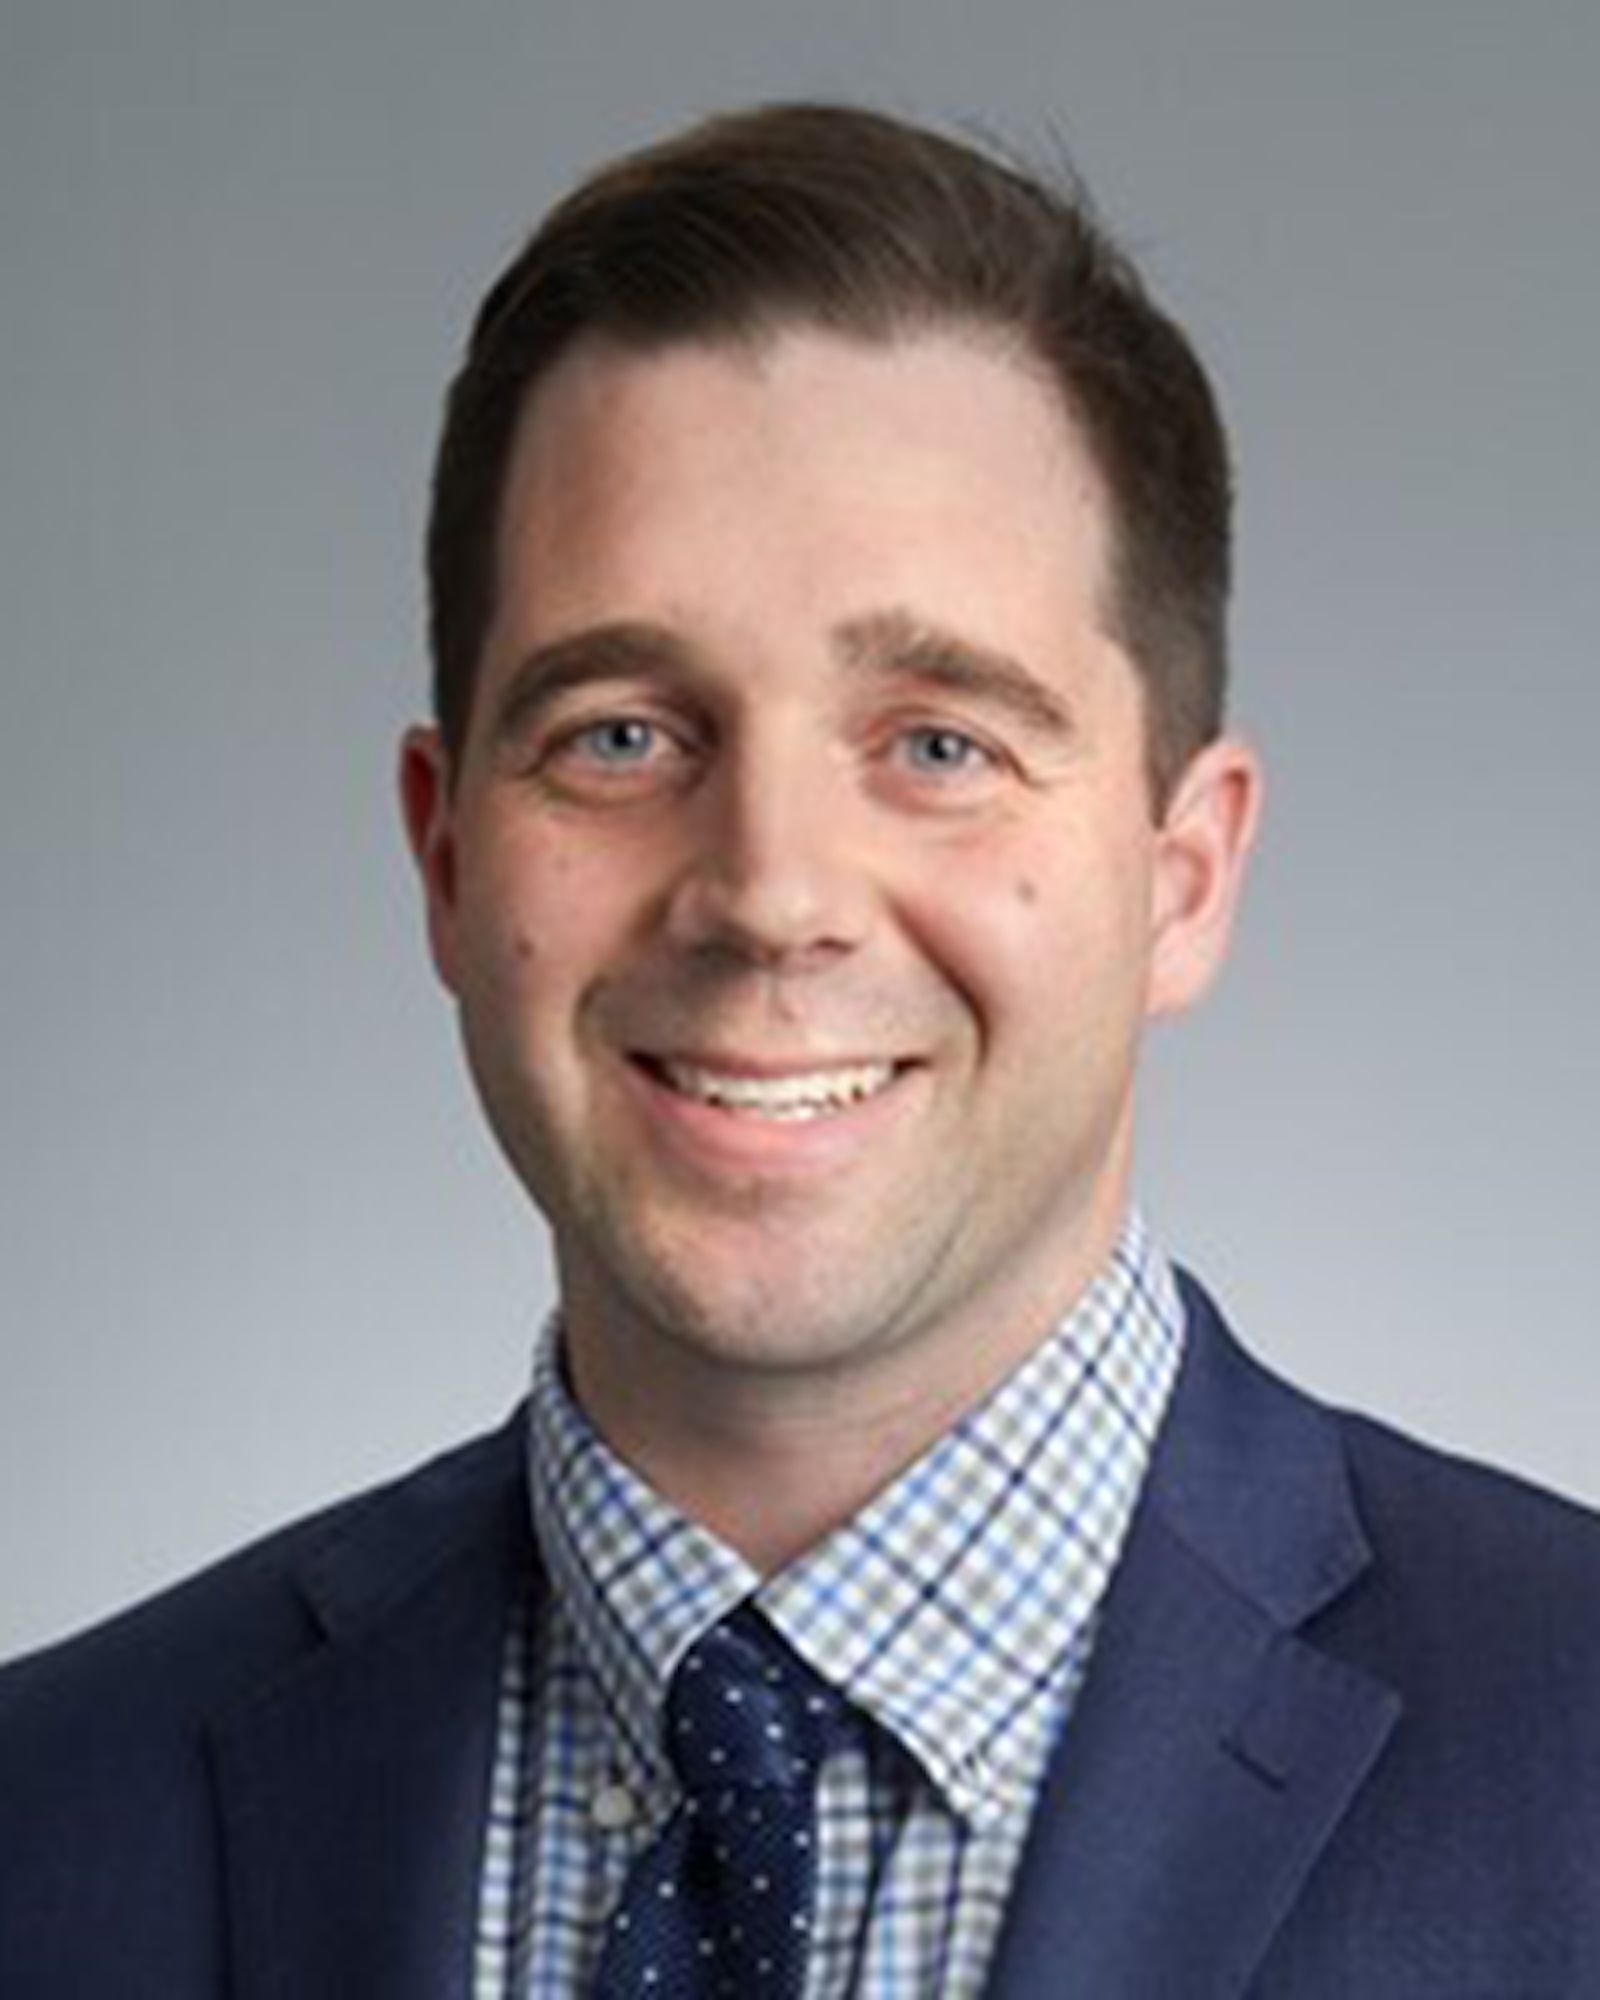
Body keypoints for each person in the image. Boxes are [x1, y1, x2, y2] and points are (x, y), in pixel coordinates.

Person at [2, 102, 1596, 2000]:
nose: (769, 894)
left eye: (940, 743)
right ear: (444, 855)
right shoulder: (48, 1819)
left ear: (1183, 876)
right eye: (618, 734)